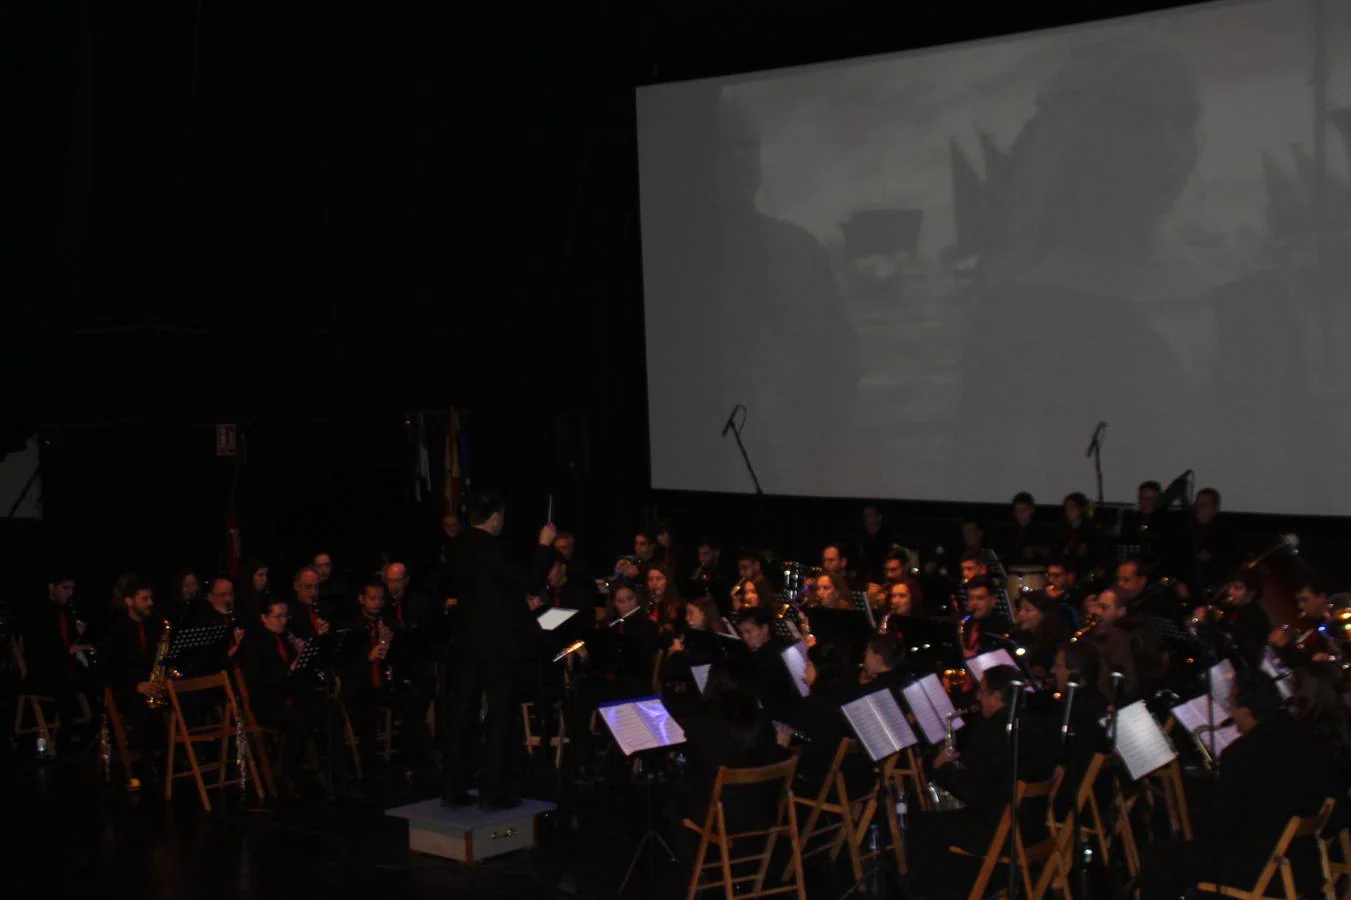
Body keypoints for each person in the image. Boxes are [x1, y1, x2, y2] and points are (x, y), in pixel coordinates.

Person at [1137, 671, 1343, 898]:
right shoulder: (1309, 737)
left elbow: (1220, 826)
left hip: (1261, 869)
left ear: (1246, 711)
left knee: (1161, 858)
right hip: (1305, 866)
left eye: (1232, 706)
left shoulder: (1243, 753)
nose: (1231, 715)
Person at [442, 489, 556, 811]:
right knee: (500, 716)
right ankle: (493, 792)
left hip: (465, 641)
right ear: (494, 519)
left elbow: (484, 587)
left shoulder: (457, 548)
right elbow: (532, 582)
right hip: (497, 645)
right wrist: (544, 545)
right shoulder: (494, 550)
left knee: (461, 714)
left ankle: (453, 788)